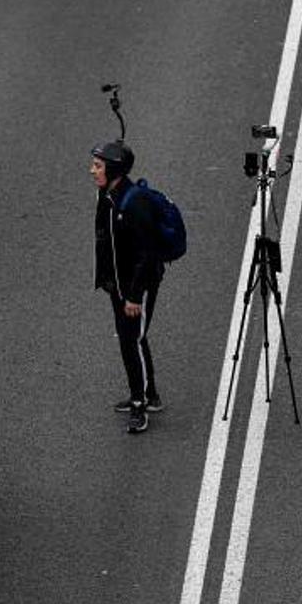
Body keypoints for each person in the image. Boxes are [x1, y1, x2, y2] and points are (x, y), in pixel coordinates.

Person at [92, 140, 164, 434]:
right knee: (133, 337)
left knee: (130, 340)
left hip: (137, 286)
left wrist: (134, 296)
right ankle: (151, 394)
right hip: (118, 284)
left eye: (98, 166)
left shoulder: (133, 203)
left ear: (115, 170)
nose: (92, 170)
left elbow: (148, 253)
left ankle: (140, 405)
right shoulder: (107, 194)